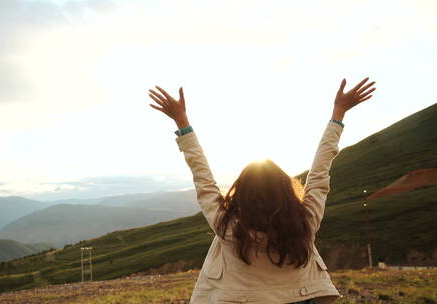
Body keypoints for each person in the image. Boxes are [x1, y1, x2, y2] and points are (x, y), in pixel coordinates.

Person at [147, 78, 376, 304]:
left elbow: (203, 178)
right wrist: (338, 114)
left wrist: (182, 121)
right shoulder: (305, 222)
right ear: (286, 191)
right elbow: (319, 173)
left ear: (241, 194)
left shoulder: (228, 227)